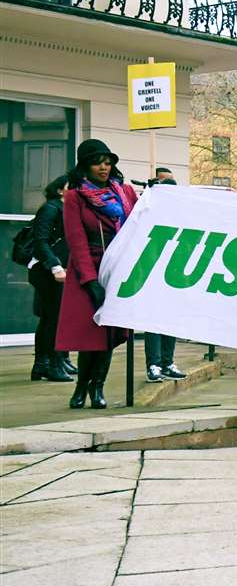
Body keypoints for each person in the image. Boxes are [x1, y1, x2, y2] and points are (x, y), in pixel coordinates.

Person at [57, 139, 138, 409]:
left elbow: (143, 222)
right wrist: (90, 280)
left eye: (107, 162)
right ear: (84, 166)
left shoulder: (125, 192)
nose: (104, 167)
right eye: (97, 162)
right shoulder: (76, 196)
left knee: (109, 333)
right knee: (89, 333)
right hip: (87, 269)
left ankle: (97, 388)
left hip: (117, 269)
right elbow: (76, 241)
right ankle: (81, 388)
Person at [26, 176, 73, 382]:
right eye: (72, 187)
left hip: (57, 270)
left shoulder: (66, 209)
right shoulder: (52, 208)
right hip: (46, 270)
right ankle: (52, 365)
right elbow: (40, 241)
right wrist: (55, 266)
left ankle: (43, 365)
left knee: (49, 317)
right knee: (54, 318)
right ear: (60, 190)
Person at [143, 167, 186, 383]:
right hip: (153, 273)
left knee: (170, 320)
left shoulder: (181, 214)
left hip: (174, 273)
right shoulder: (149, 209)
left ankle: (167, 362)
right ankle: (154, 363)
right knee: (154, 321)